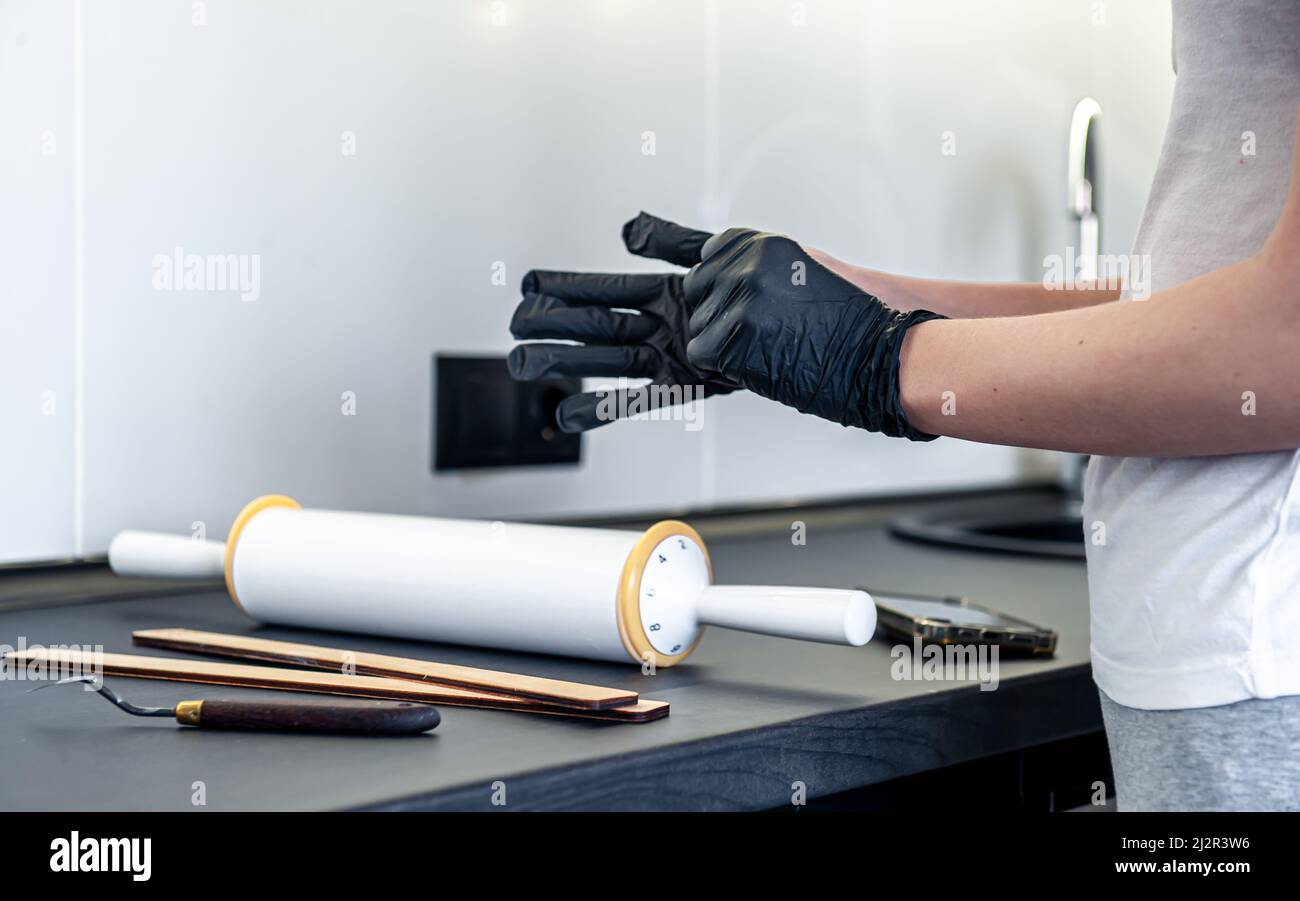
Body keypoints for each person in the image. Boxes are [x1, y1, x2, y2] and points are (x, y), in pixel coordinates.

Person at [507, 0, 1300, 811]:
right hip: (1216, 647)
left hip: (1262, 652)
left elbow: (1289, 336)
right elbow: (1180, 298)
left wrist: (874, 357)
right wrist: (849, 303)